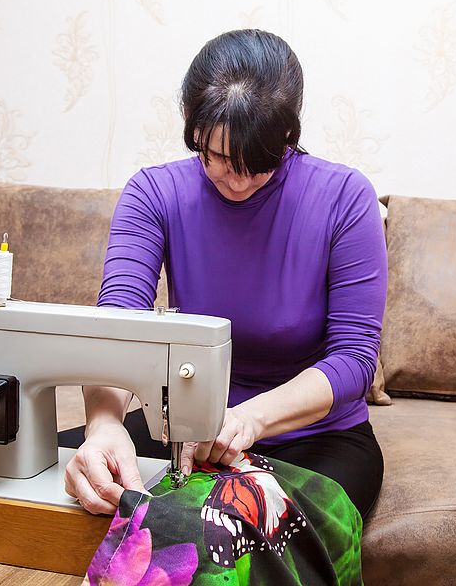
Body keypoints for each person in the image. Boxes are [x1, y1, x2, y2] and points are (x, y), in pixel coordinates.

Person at [60, 28, 386, 522]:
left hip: (318, 440)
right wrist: (103, 426)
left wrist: (246, 420)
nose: (235, 180)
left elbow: (355, 359)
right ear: (192, 128)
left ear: (287, 137)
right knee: (39, 478)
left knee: (245, 538)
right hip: (185, 430)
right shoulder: (154, 194)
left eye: (255, 166)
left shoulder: (344, 198)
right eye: (216, 159)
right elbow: (119, 330)